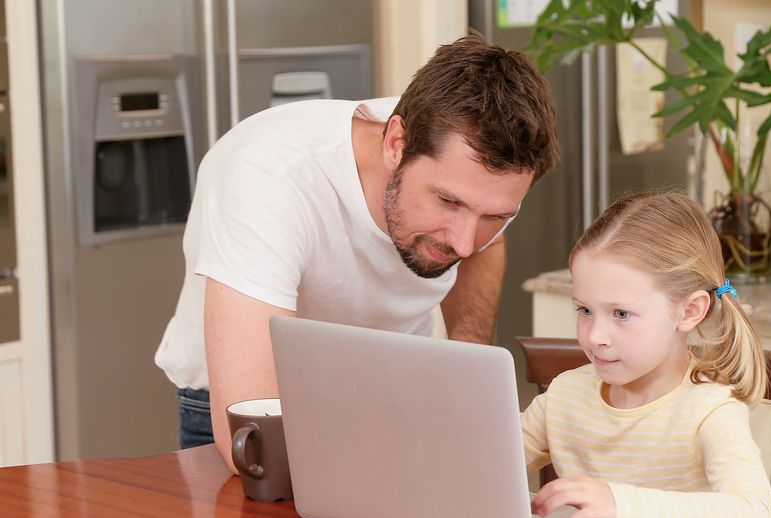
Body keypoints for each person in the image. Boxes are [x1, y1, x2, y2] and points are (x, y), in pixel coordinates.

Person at [155, 33, 560, 471]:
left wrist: (467, 362)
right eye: (448, 203)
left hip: (393, 392)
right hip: (257, 410)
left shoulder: (483, 177)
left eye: (494, 216)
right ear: (395, 144)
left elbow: (484, 247)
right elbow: (255, 441)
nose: (464, 241)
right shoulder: (268, 178)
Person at [522, 191, 771, 518]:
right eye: (584, 310)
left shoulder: (709, 408)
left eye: (621, 314)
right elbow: (485, 465)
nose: (596, 337)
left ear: (689, 312)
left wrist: (619, 503)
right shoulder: (565, 395)